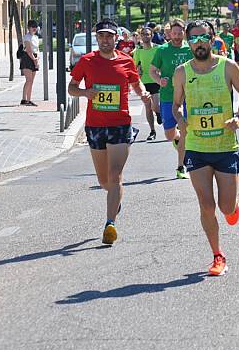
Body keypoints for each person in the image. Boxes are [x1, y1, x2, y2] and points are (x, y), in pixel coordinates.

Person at [172, 20, 239, 276]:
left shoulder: (228, 67)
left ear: (212, 38)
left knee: (226, 207)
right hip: (196, 146)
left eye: (202, 38)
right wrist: (180, 120)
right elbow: (175, 105)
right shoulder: (182, 72)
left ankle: (233, 206)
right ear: (187, 42)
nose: (198, 43)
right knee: (206, 205)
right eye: (193, 39)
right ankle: (217, 255)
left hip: (225, 145)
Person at [68, 19, 150, 245]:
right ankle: (115, 199)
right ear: (97, 38)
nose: (105, 40)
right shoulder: (86, 61)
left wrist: (143, 94)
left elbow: (136, 83)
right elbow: (71, 88)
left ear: (116, 38)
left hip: (120, 124)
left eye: (109, 36)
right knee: (104, 180)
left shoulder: (126, 61)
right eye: (101, 36)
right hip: (95, 126)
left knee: (115, 176)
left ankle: (110, 224)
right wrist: (86, 92)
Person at [149, 19, 193, 179]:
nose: (177, 36)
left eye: (179, 33)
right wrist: (159, 80)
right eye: (174, 33)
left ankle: (181, 167)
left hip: (188, 97)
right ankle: (177, 141)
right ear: (169, 33)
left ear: (184, 32)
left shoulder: (190, 49)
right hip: (168, 97)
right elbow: (152, 71)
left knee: (185, 130)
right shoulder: (162, 50)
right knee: (169, 135)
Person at [133, 27, 162, 140]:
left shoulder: (158, 49)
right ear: (141, 36)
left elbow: (162, 62)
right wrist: (137, 71)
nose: (146, 36)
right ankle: (152, 131)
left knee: (156, 105)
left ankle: (159, 113)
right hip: (143, 82)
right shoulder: (138, 51)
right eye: (144, 34)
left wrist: (160, 70)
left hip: (156, 80)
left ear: (152, 35)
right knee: (148, 107)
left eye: (148, 34)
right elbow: (134, 66)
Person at [20, 20, 40, 106]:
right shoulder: (26, 37)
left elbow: (37, 49)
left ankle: (29, 99)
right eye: (32, 26)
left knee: (32, 81)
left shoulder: (36, 37)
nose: (34, 28)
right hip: (27, 58)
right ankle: (24, 99)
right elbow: (28, 50)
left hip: (34, 57)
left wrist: (37, 59)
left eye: (35, 26)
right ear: (29, 28)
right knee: (28, 80)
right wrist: (34, 60)